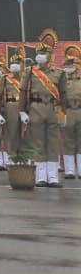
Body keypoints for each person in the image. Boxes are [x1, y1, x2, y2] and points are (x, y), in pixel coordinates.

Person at [23, 42, 63, 187]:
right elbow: (23, 91)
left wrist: (63, 112)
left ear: (50, 55)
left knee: (52, 143)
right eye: (39, 53)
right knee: (39, 143)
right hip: (36, 109)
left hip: (52, 109)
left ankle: (52, 178)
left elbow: (63, 93)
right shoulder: (30, 71)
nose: (40, 55)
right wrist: (22, 111)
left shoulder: (59, 73)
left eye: (44, 53)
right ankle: (41, 177)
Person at [2, 53, 26, 165]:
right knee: (12, 133)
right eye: (12, 63)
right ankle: (12, 157)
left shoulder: (27, 77)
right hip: (12, 105)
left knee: (28, 132)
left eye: (17, 63)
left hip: (26, 106)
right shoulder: (6, 79)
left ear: (22, 64)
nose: (14, 65)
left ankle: (26, 157)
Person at [60, 47, 81, 180]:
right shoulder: (61, 81)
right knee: (67, 141)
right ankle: (69, 170)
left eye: (71, 65)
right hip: (67, 111)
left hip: (80, 110)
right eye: (66, 65)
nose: (68, 67)